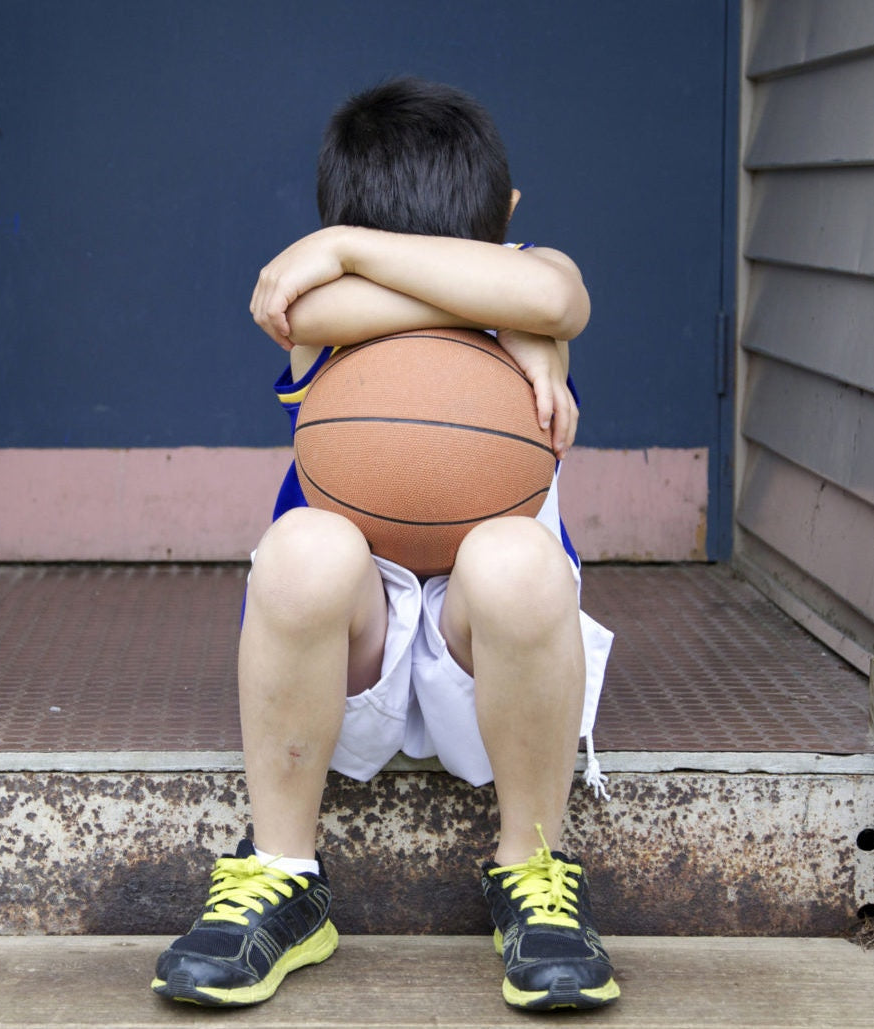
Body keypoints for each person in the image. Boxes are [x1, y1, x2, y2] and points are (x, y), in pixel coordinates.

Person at [152, 76, 618, 1012]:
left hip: (481, 646)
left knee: (520, 558)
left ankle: (533, 869)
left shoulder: (524, 278)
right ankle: (283, 873)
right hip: (351, 642)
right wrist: (511, 330)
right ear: (507, 211)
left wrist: (351, 244)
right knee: (301, 547)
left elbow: (558, 295)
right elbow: (312, 312)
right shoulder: (319, 310)